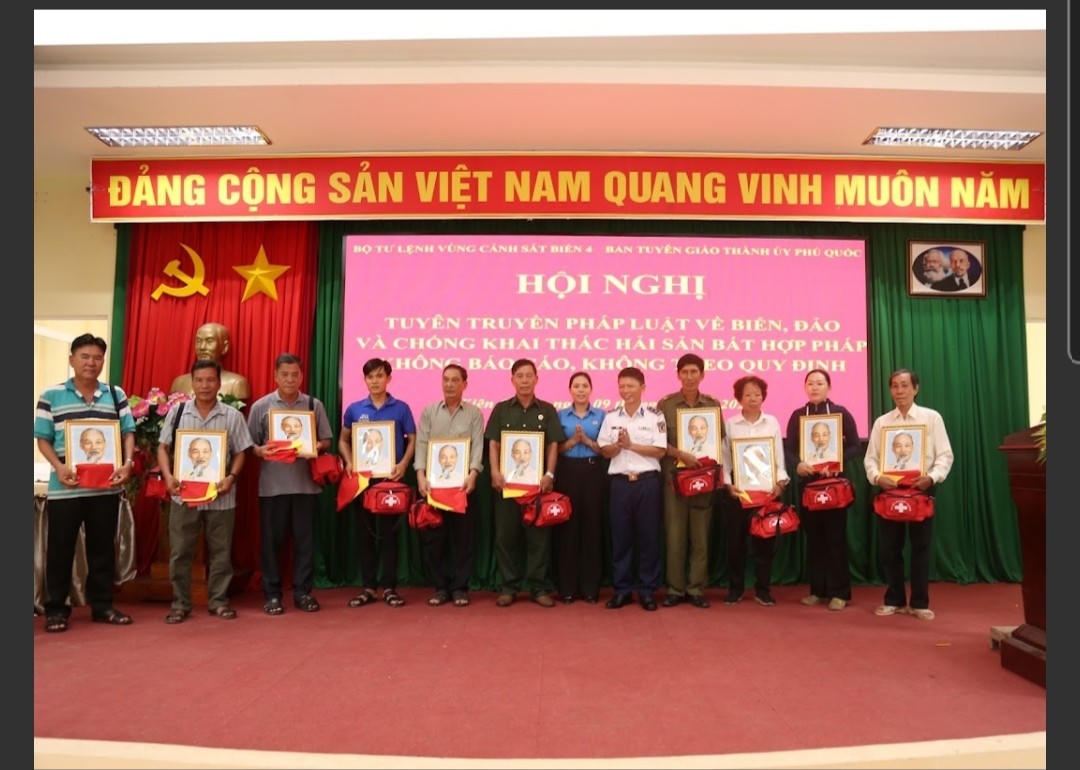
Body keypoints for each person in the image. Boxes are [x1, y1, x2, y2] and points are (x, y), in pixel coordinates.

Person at [34, 333, 136, 632]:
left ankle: (102, 606)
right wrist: (59, 467)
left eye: (97, 357)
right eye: (85, 356)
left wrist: (128, 463)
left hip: (106, 486)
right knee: (60, 549)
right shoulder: (51, 395)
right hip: (65, 488)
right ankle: (56, 610)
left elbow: (128, 432)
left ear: (103, 361)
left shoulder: (115, 394)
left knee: (102, 549)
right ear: (72, 360)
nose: (91, 362)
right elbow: (42, 438)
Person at [157, 359, 253, 623]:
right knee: (180, 551)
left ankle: (218, 602)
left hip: (221, 496)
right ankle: (180, 604)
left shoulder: (232, 416)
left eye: (210, 380)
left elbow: (241, 452)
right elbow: (162, 447)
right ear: (192, 382)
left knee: (221, 552)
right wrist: (168, 476)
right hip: (183, 495)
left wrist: (231, 477)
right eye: (199, 380)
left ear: (219, 383)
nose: (205, 385)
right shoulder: (178, 413)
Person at [864, 369, 954, 620]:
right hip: (890, 491)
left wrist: (932, 477)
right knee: (890, 548)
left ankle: (919, 603)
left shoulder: (931, 418)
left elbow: (945, 455)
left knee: (920, 547)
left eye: (905, 385)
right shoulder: (882, 422)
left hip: (921, 489)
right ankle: (893, 599)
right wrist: (877, 478)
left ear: (916, 388)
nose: (899, 391)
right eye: (895, 386)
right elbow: (870, 459)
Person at [247, 353, 333, 616]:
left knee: (305, 543)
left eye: (295, 374)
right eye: (284, 374)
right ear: (275, 376)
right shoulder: (261, 407)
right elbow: (250, 445)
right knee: (271, 543)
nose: (290, 379)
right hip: (272, 487)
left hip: (306, 486)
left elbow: (327, 440)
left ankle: (303, 592)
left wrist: (316, 445)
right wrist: (261, 451)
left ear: (302, 376)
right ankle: (272, 594)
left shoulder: (313, 405)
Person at [485, 358, 566, 608]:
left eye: (529, 375)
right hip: (507, 487)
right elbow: (494, 443)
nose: (524, 380)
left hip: (537, 487)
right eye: (519, 376)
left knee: (538, 539)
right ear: (512, 380)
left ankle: (538, 587)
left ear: (536, 379)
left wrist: (549, 474)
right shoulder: (501, 409)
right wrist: (494, 472)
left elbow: (553, 444)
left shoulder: (548, 410)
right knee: (505, 537)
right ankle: (509, 587)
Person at [339, 358, 416, 608]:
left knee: (389, 536)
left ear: (388, 379)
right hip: (363, 481)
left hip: (390, 481)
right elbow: (343, 440)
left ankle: (390, 588)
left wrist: (403, 464)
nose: (375, 381)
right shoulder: (354, 409)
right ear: (365, 380)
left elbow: (412, 439)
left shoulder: (401, 408)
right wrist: (349, 461)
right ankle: (369, 587)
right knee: (364, 535)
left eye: (379, 376)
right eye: (370, 377)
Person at [783, 369, 861, 611]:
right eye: (810, 383)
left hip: (834, 486)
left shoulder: (840, 413)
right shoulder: (798, 415)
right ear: (805, 387)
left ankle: (840, 593)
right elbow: (788, 449)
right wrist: (798, 464)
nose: (815, 387)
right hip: (809, 487)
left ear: (829, 387)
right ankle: (817, 590)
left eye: (820, 383)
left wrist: (837, 463)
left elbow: (856, 446)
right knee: (815, 540)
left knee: (836, 539)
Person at [597, 367, 668, 612]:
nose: (625, 390)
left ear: (642, 388)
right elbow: (604, 451)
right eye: (622, 386)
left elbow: (660, 451)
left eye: (630, 386)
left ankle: (647, 591)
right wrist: (618, 446)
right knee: (621, 538)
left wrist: (631, 445)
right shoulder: (611, 417)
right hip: (620, 485)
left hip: (647, 483)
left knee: (649, 537)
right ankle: (622, 590)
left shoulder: (655, 416)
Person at [414, 364, 485, 608]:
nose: (450, 384)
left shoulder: (474, 413)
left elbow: (477, 446)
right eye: (446, 379)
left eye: (455, 380)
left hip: (463, 487)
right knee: (436, 539)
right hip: (434, 487)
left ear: (465, 384)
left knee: (463, 540)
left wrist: (473, 474)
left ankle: (460, 588)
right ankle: (441, 587)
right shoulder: (429, 412)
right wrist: (420, 475)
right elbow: (422, 444)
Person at [657, 353, 724, 609]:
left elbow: (718, 441)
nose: (689, 377)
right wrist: (681, 454)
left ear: (702, 375)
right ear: (678, 375)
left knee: (700, 538)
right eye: (684, 372)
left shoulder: (712, 405)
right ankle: (675, 589)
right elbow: (658, 442)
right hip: (675, 482)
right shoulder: (666, 405)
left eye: (694, 372)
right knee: (675, 537)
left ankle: (696, 588)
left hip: (703, 480)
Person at [720, 375, 789, 607]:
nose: (753, 398)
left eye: (757, 394)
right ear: (739, 398)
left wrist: (780, 482)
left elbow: (778, 455)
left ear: (763, 397)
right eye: (748, 394)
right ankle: (736, 589)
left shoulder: (772, 422)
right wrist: (728, 484)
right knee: (735, 544)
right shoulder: (730, 424)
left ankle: (763, 590)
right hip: (739, 494)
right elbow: (726, 458)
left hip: (765, 492)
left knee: (764, 544)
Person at [554, 371, 607, 604]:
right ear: (570, 390)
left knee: (591, 529)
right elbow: (554, 449)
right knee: (568, 529)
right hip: (567, 473)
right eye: (576, 386)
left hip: (593, 472)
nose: (581, 390)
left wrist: (586, 442)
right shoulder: (560, 416)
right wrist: (573, 442)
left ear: (591, 389)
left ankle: (590, 588)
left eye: (585, 385)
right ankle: (567, 588)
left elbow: (606, 450)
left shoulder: (602, 416)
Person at [169, 322, 251, 400]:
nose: (202, 347)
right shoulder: (179, 383)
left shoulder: (236, 384)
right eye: (199, 341)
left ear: (225, 347)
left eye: (209, 341)